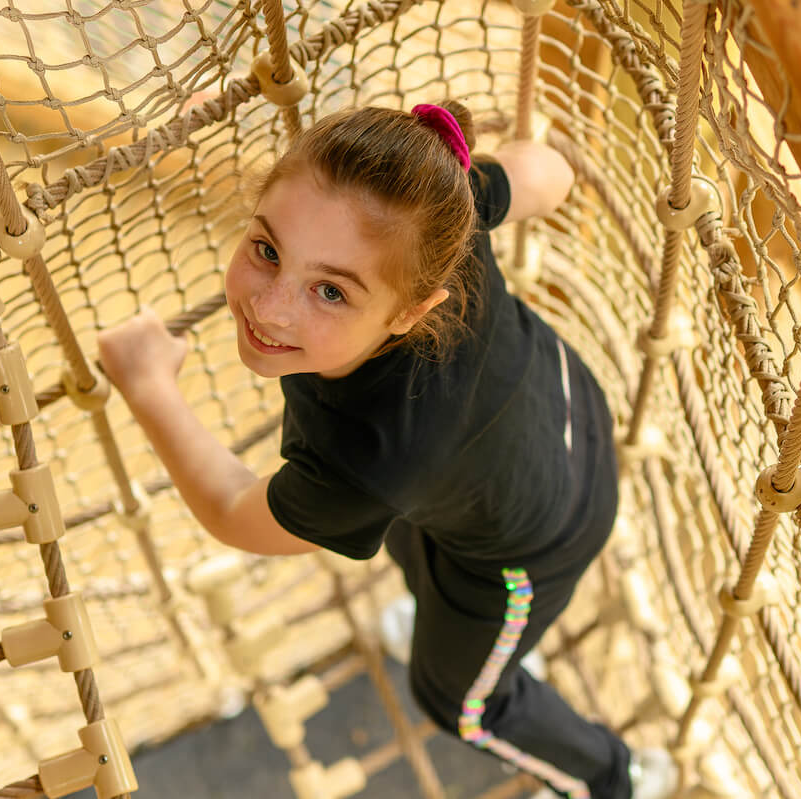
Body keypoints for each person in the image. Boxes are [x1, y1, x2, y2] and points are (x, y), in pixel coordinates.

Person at [97, 101, 675, 799]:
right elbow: (550, 176)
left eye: (331, 291)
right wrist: (514, 157)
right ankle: (452, 613)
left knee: (459, 699)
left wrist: (151, 386)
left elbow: (229, 509)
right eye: (267, 249)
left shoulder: (370, 461)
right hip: (559, 412)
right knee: (405, 531)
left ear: (411, 312)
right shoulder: (440, 219)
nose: (271, 307)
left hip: (534, 545)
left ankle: (616, 774)